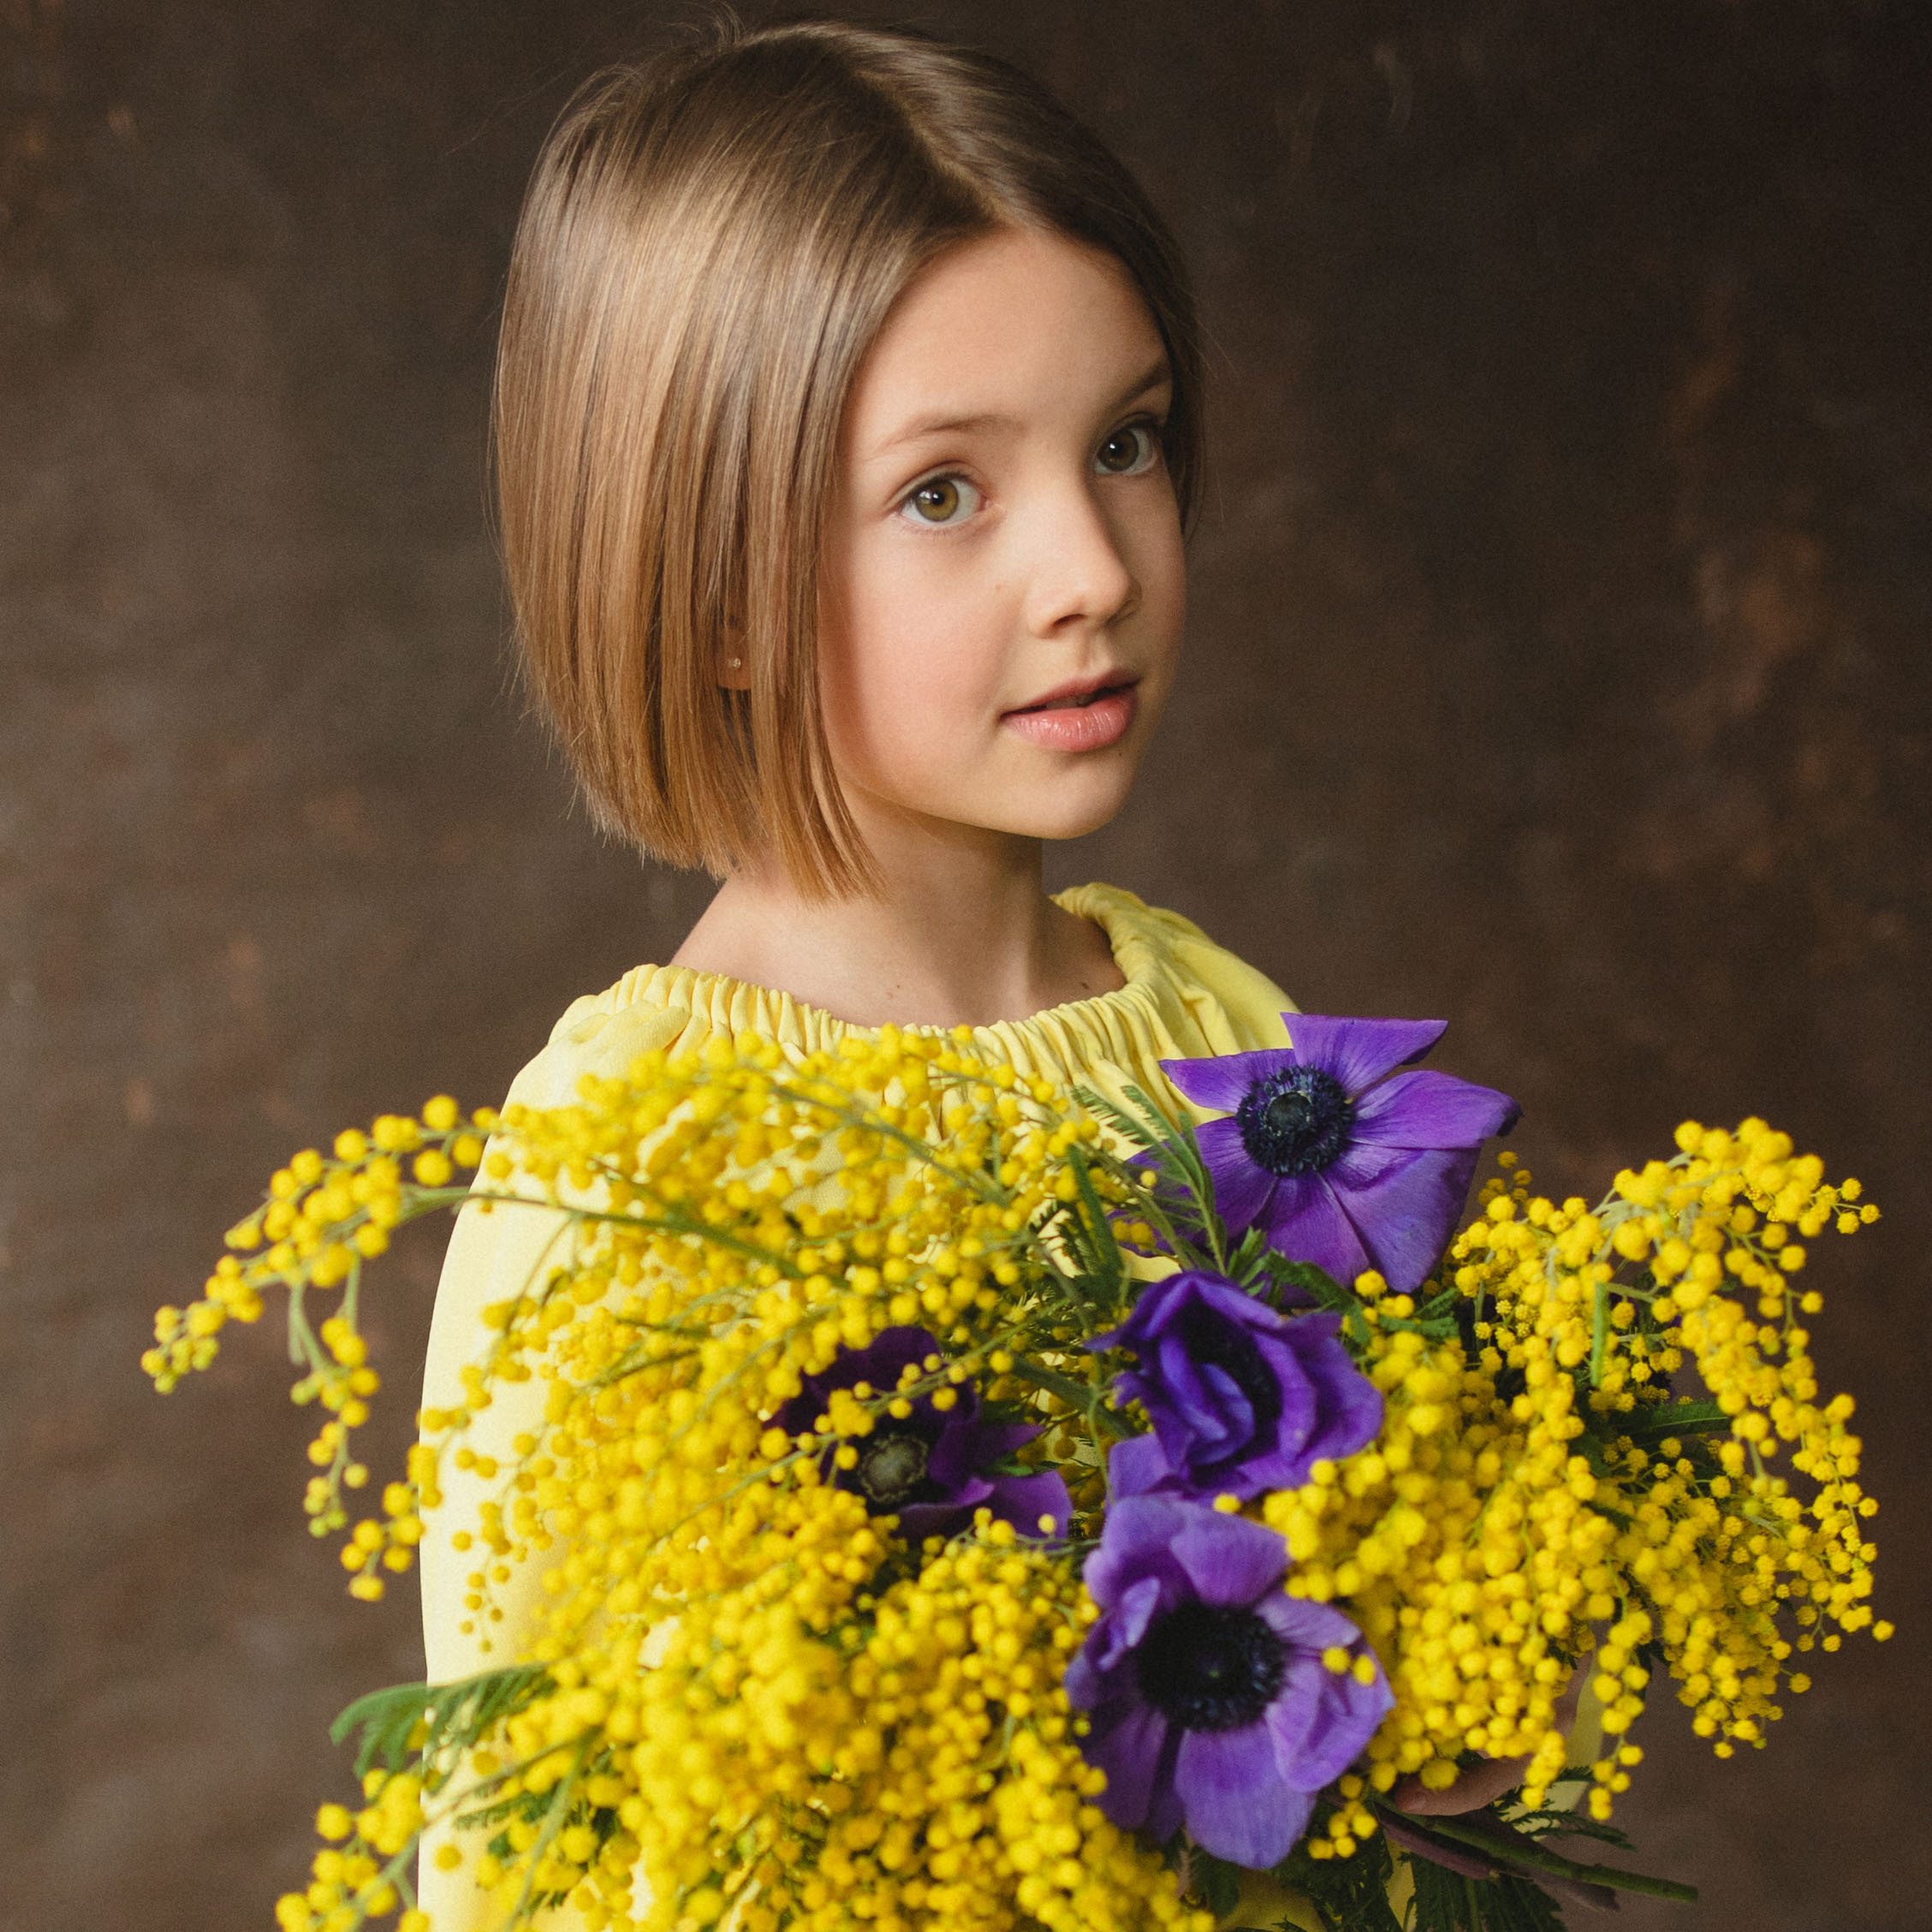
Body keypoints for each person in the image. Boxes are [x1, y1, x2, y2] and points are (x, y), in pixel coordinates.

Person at [418, 17, 1331, 1927]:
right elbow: (536, 1860)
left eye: (1127, 441)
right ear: (717, 579)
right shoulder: (634, 1163)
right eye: (943, 492)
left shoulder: (1237, 1041)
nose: (1089, 563)